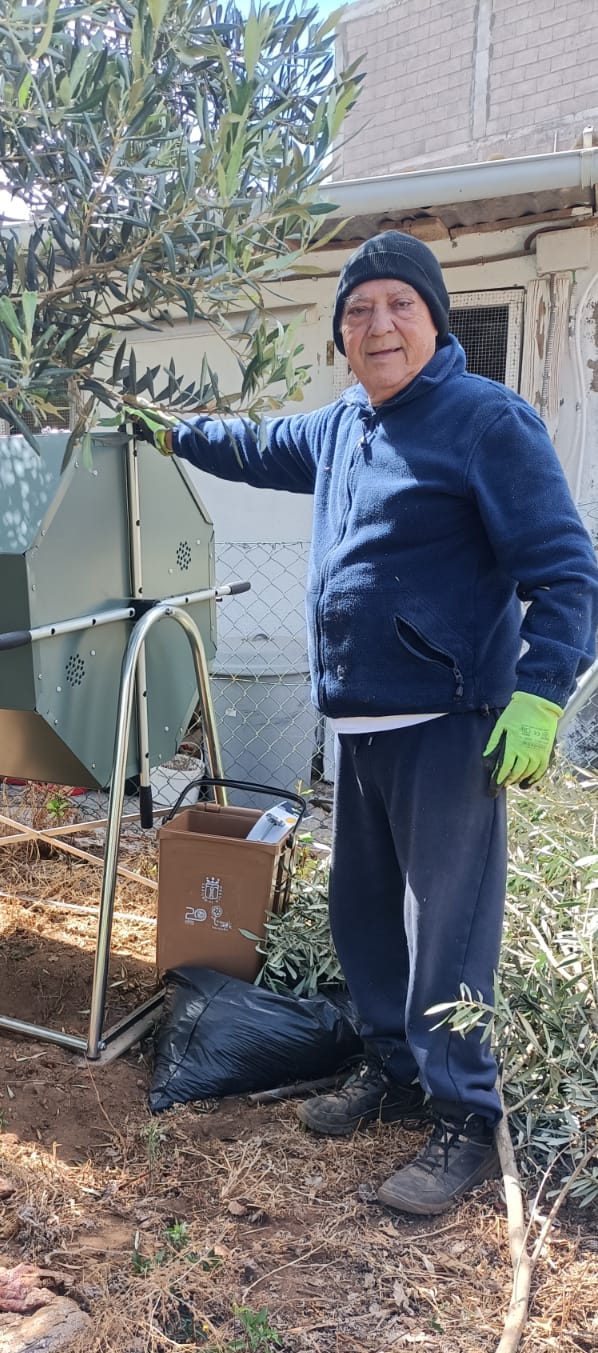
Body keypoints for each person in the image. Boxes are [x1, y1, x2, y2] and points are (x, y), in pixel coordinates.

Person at [127, 230, 598, 1216]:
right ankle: (389, 1066)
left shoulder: (484, 423)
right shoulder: (345, 423)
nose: (377, 324)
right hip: (360, 726)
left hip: (448, 725)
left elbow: (563, 571)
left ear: (432, 317)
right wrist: (175, 433)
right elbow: (258, 446)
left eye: (396, 304)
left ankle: (463, 1114)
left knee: (445, 933)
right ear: (342, 334)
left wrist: (539, 692)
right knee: (364, 918)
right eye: (357, 310)